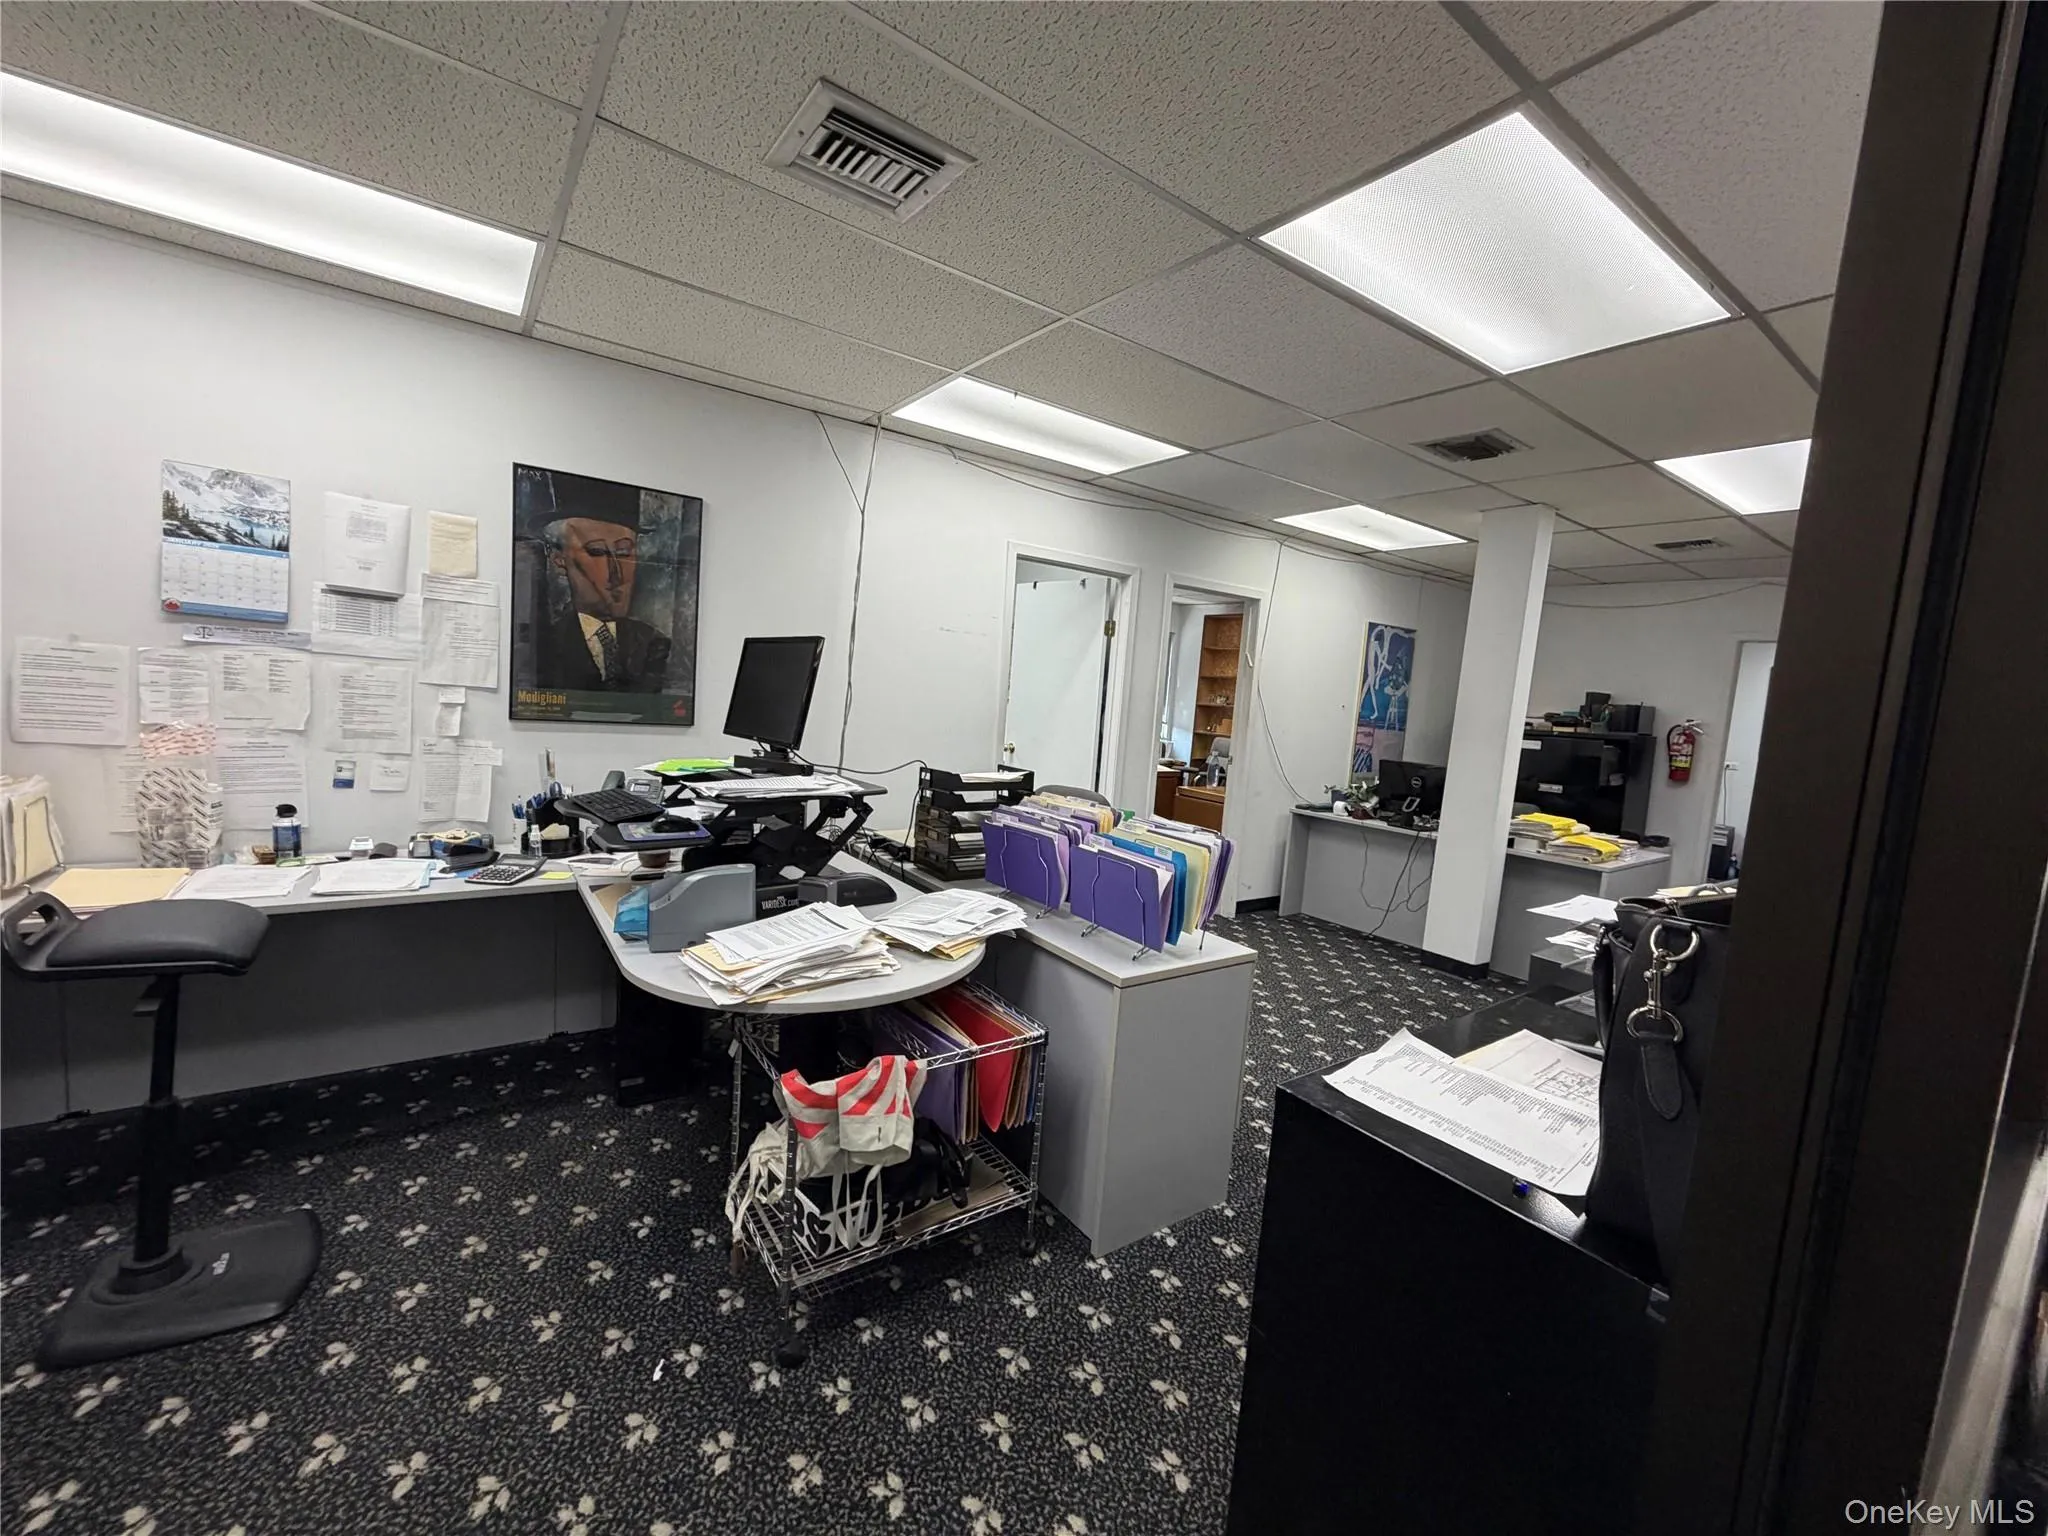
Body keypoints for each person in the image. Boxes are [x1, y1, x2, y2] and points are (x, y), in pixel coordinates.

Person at [522, 471, 672, 693]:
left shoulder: (654, 643)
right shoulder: (542, 647)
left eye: (624, 552)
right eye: (597, 552)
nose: (616, 573)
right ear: (559, 559)